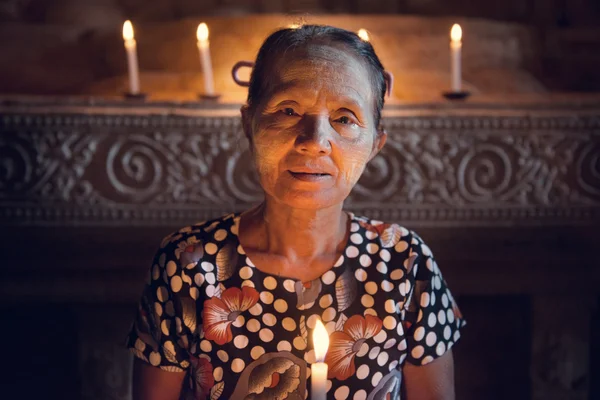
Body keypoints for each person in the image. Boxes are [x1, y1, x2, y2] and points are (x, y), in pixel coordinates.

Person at [127, 24, 465, 400]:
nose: (314, 142)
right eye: (288, 110)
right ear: (248, 124)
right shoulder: (190, 265)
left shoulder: (404, 262)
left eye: (344, 118)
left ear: (375, 144)